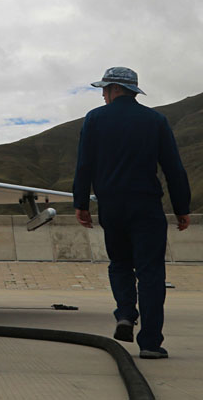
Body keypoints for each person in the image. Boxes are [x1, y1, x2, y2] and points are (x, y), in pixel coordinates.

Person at [73, 66, 190, 360]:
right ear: (133, 90)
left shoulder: (95, 119)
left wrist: (81, 204)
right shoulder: (155, 120)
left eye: (104, 89)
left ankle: (125, 313)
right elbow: (174, 169)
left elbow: (84, 165)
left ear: (114, 89)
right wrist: (181, 208)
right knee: (151, 272)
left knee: (120, 264)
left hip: (112, 206)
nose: (102, 95)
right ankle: (150, 343)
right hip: (146, 206)